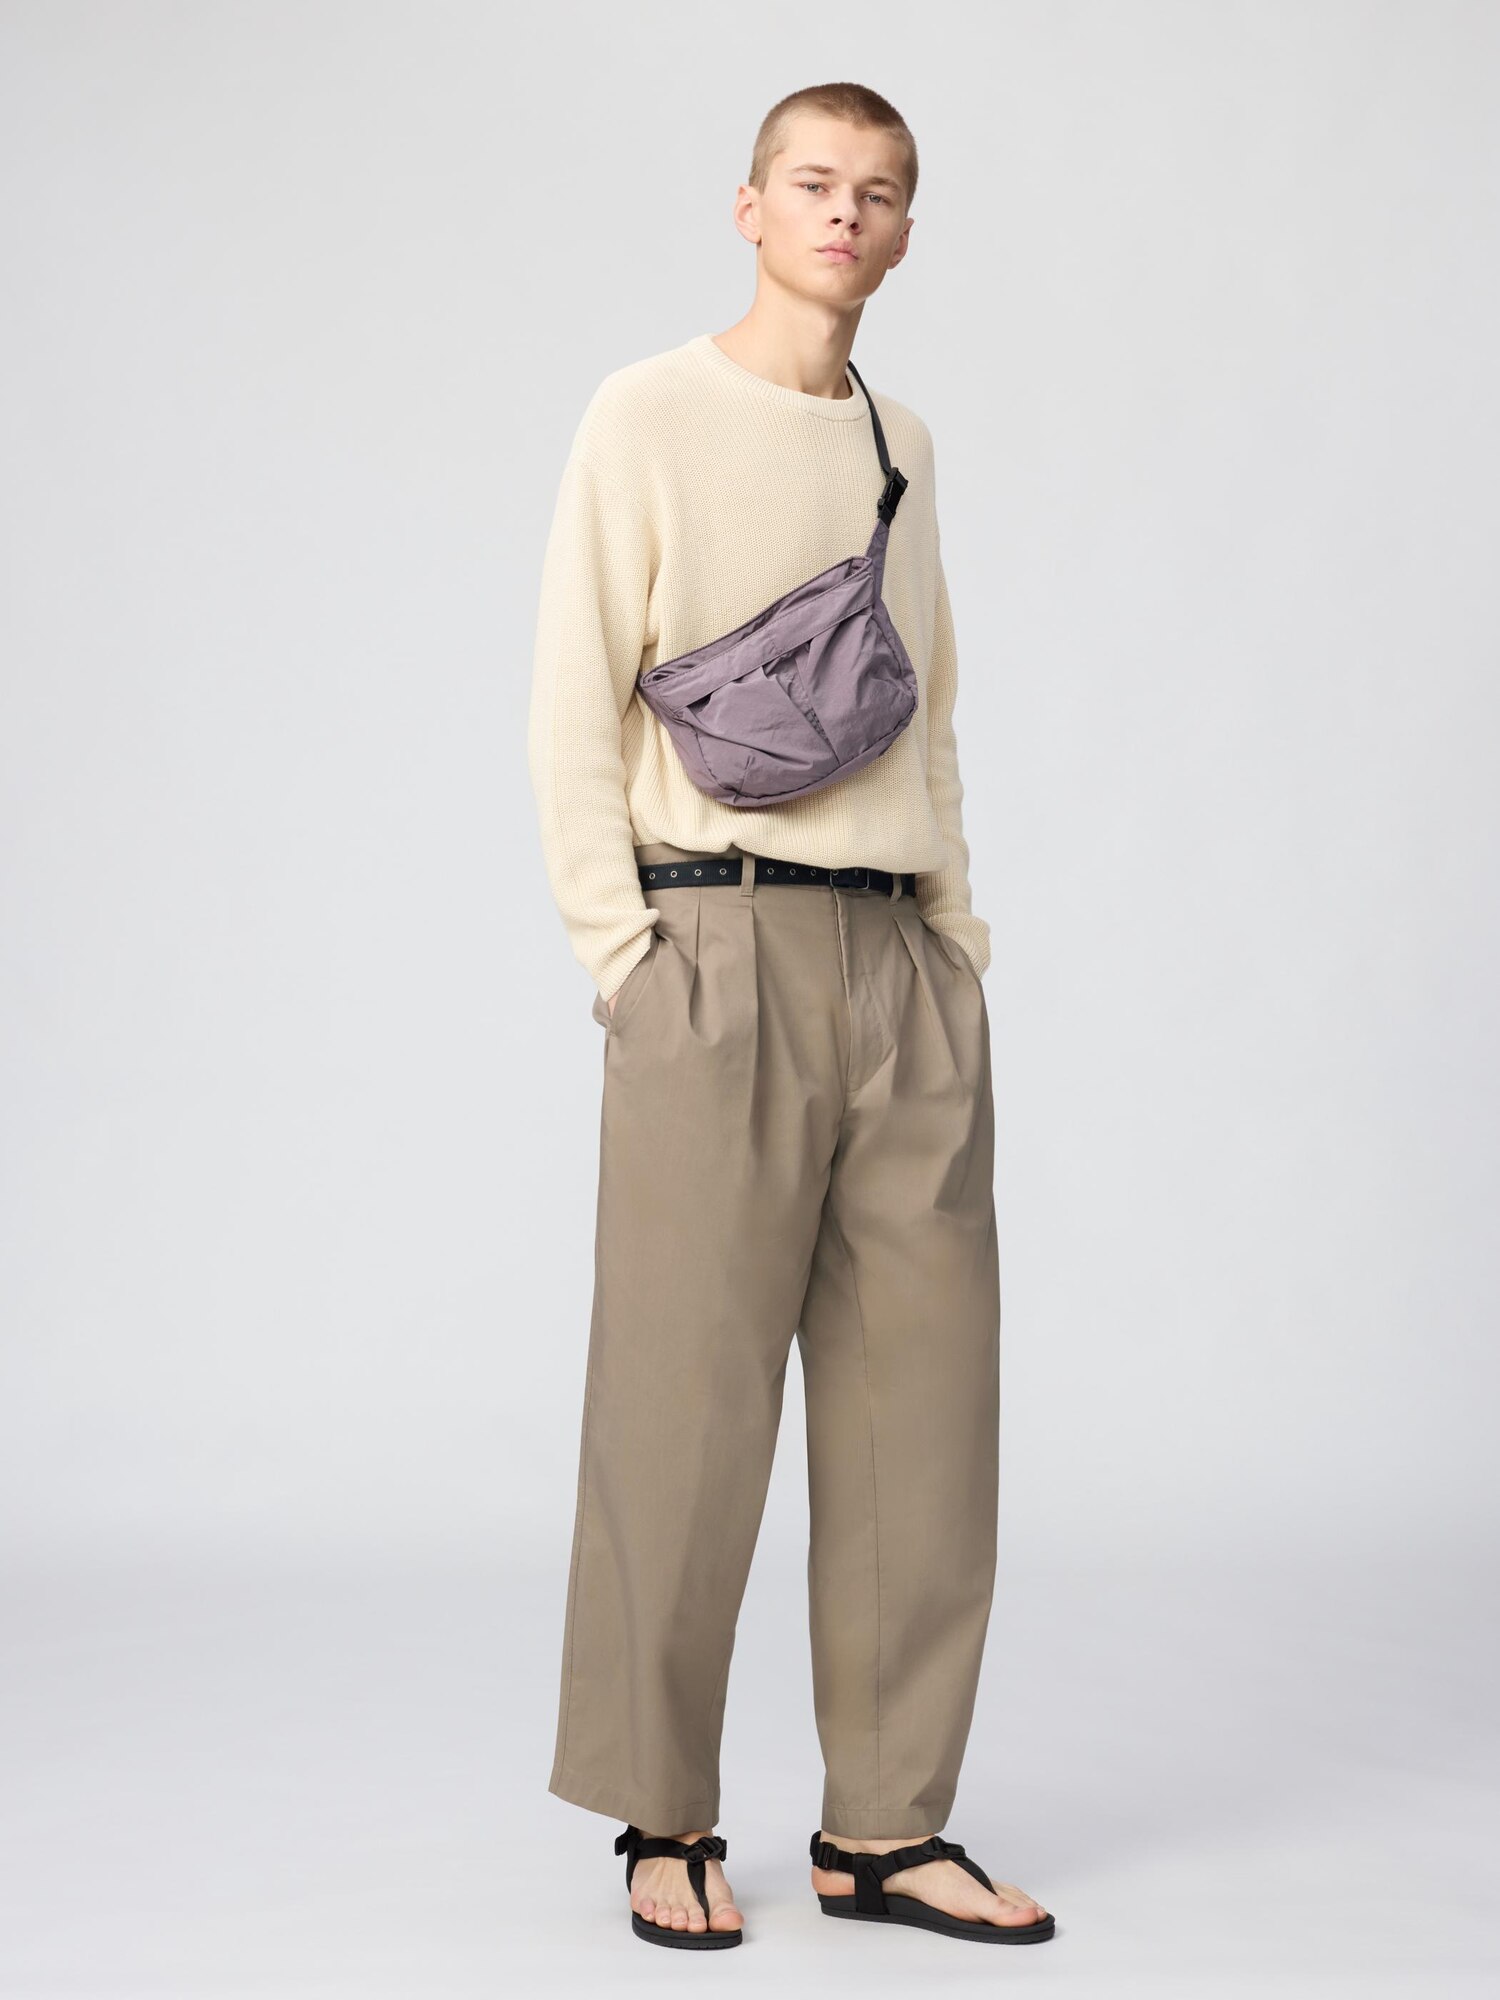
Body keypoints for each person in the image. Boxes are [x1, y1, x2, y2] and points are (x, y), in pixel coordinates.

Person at [527, 80, 1053, 1952]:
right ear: (748, 206)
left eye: (880, 193)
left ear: (906, 232)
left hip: (898, 966)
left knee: (927, 1413)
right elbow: (572, 700)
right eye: (815, 184)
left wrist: (956, 943)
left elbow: (932, 711)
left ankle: (888, 1831)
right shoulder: (646, 413)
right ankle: (661, 1813)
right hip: (715, 951)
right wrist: (624, 957)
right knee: (681, 1405)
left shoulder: (906, 441)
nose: (847, 214)